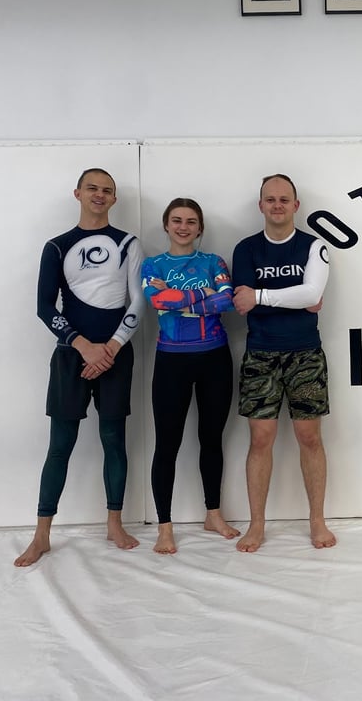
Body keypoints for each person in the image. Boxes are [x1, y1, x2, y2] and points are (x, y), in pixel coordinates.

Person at [14, 168, 144, 567]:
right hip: (71, 355)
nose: (99, 195)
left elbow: (139, 301)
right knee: (60, 446)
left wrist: (110, 348)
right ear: (78, 193)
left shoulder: (128, 243)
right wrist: (84, 346)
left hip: (116, 355)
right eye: (92, 188)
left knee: (113, 440)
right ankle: (41, 535)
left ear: (114, 199)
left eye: (107, 190)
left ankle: (114, 524)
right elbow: (43, 306)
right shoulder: (57, 246)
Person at [231, 174, 335, 553]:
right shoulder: (246, 249)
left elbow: (312, 293)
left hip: (305, 353)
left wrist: (262, 296)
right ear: (261, 205)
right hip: (260, 354)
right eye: (270, 199)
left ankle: (317, 520)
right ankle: (256, 524)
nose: (277, 205)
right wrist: (295, 298)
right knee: (260, 439)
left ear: (296, 205)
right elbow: (242, 302)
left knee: (310, 438)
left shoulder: (314, 246)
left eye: (284, 199)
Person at [142, 199, 238, 555]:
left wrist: (179, 298)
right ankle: (164, 527)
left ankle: (213, 514)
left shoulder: (214, 261)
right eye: (177, 220)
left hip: (214, 358)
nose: (184, 227)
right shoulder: (153, 265)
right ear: (166, 225)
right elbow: (157, 300)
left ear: (200, 228)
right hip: (171, 360)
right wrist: (203, 294)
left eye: (191, 222)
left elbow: (226, 301)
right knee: (167, 444)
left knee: (211, 439)